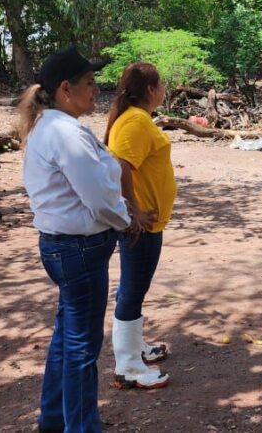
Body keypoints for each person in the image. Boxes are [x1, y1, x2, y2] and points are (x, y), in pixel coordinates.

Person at [19, 46, 153, 433]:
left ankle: (54, 418)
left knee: (67, 338)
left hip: (64, 246)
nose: (97, 91)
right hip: (78, 249)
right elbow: (97, 196)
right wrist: (127, 220)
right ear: (65, 89)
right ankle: (80, 426)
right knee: (81, 348)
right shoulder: (64, 132)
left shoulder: (54, 126)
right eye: (90, 84)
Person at [103, 62, 176, 390]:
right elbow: (119, 165)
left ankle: (134, 348)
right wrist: (132, 210)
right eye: (161, 84)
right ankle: (128, 366)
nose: (164, 90)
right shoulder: (135, 121)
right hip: (141, 226)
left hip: (146, 222)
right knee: (133, 288)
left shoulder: (136, 119)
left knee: (135, 287)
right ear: (150, 90)